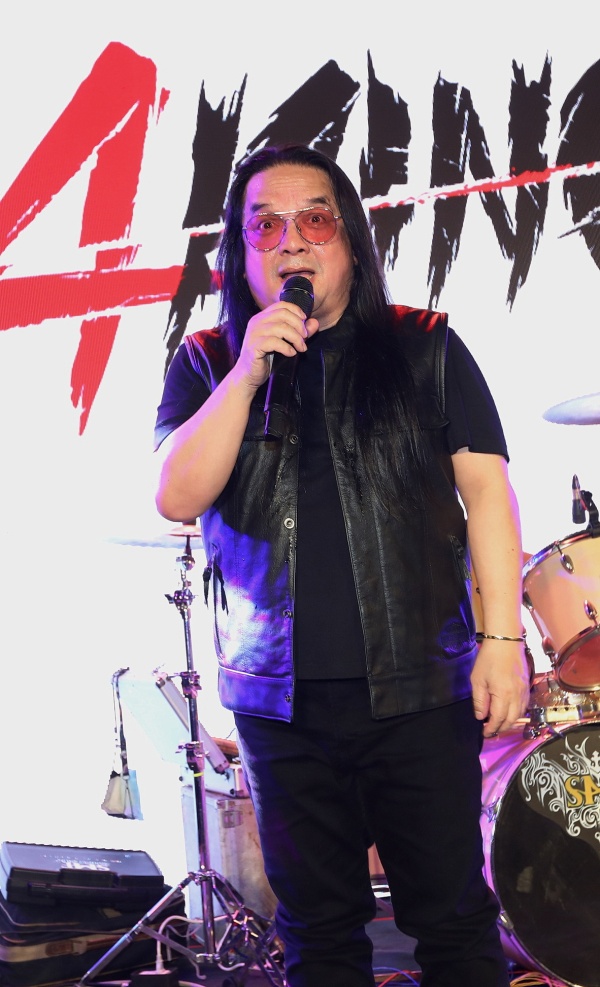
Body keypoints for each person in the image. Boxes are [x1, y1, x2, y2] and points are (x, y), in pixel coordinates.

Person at [154, 143, 531, 987]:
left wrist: (503, 639)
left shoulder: (425, 347)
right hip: (279, 707)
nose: (292, 240)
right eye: (266, 226)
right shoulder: (208, 363)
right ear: (239, 252)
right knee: (318, 936)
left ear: (350, 241)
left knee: (454, 924)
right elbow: (177, 496)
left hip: (420, 693)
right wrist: (247, 372)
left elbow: (487, 493)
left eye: (314, 219)